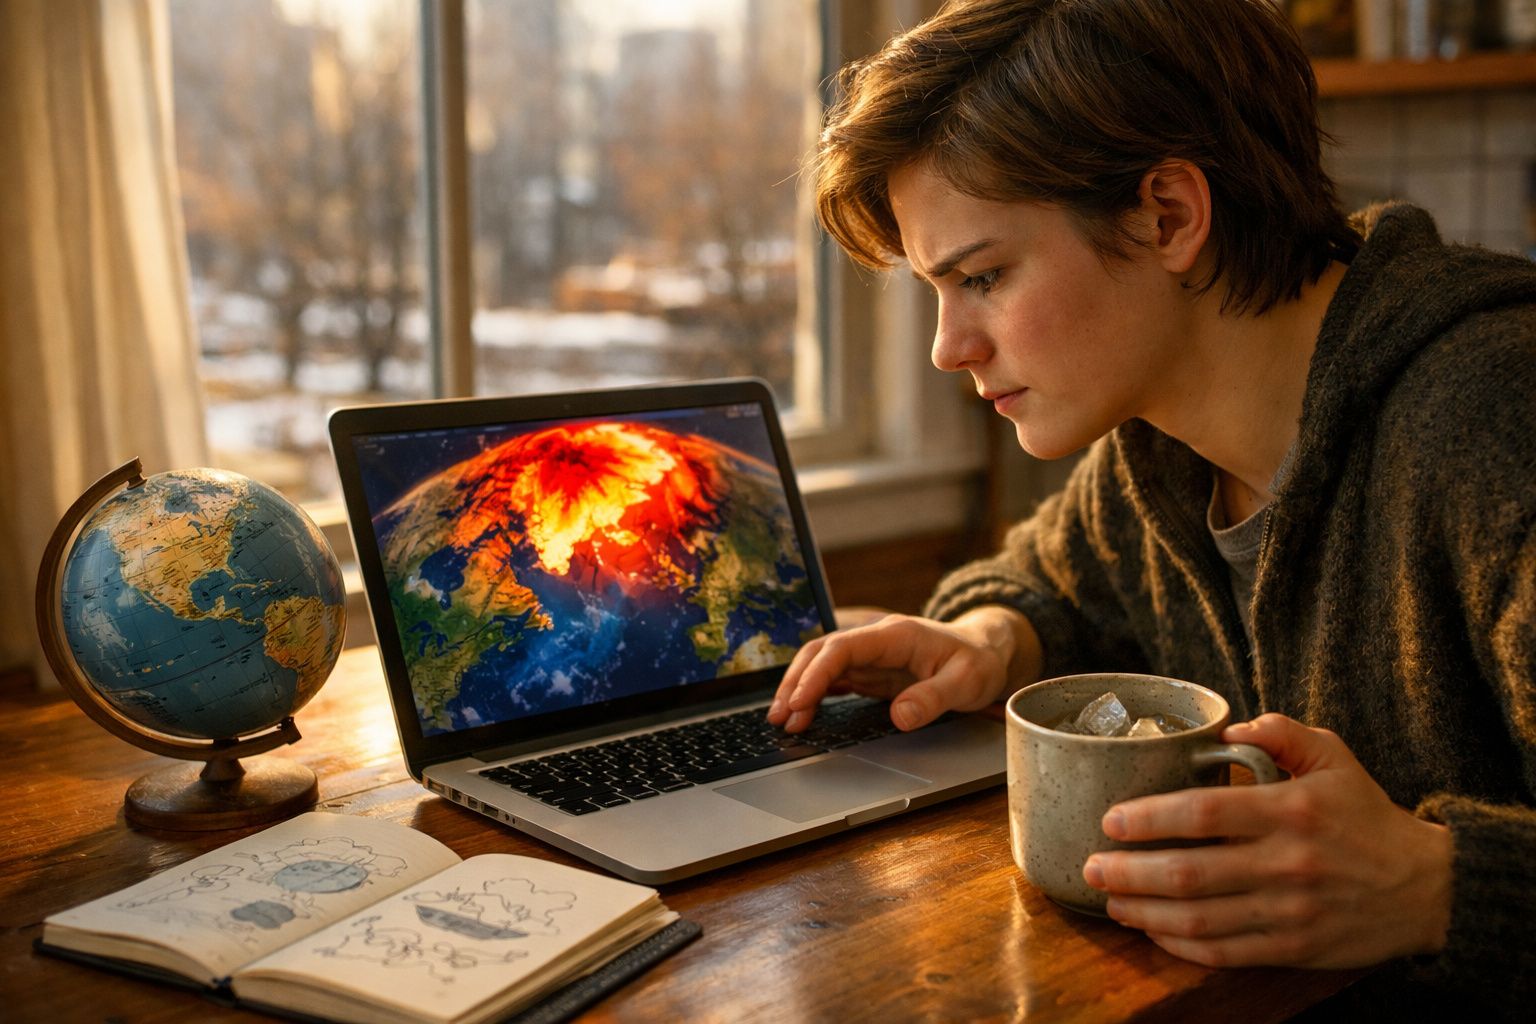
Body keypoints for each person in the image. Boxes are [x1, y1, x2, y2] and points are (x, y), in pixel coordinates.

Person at [765, 0, 1536, 1016]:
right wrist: (993, 637)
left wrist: (1438, 887)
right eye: (937, 290)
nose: (949, 347)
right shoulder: (1159, 447)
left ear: (1167, 215)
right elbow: (1048, 578)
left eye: (985, 276)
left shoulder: (1497, 420)